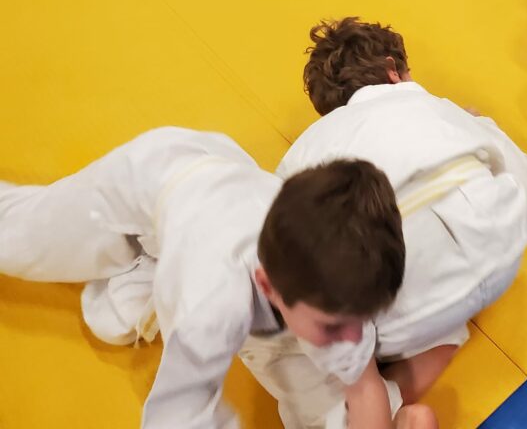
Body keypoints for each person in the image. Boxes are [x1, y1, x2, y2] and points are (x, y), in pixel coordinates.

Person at [0, 127, 436, 428]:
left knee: (326, 400)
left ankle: (149, 266)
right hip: (162, 175)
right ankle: (146, 259)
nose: (353, 337)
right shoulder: (209, 308)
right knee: (20, 239)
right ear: (267, 286)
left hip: (232, 186)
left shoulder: (336, 289)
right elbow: (178, 415)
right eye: (334, 326)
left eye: (360, 320)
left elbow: (363, 388)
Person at [275, 17, 527, 413]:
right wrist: (476, 125)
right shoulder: (434, 107)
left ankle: (366, 404)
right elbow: (523, 181)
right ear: (394, 71)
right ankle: (443, 326)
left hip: (402, 317)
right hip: (505, 252)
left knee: (288, 299)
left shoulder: (306, 152)